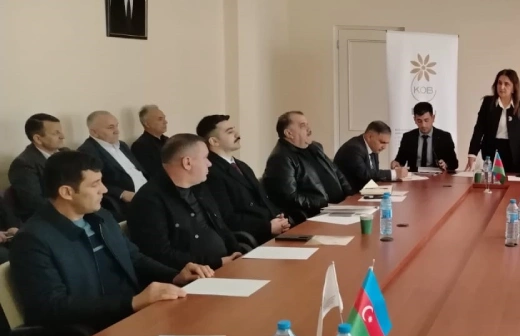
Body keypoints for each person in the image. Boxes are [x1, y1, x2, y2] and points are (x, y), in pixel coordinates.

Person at [9, 151, 210, 336]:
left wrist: (175, 276)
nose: (104, 190)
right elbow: (52, 306)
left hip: (133, 320)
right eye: (95, 184)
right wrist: (132, 302)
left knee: (204, 330)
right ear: (67, 192)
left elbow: (134, 258)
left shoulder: (101, 217)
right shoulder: (32, 240)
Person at [127, 134, 243, 270]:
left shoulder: (199, 188)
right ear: (187, 163)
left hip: (227, 264)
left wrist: (238, 253)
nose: (210, 163)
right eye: (205, 158)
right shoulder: (148, 201)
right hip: (197, 274)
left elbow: (221, 226)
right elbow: (160, 254)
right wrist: (218, 262)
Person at [198, 114, 290, 242]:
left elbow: (263, 199)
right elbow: (227, 218)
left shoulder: (241, 166)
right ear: (214, 141)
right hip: (252, 238)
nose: (237, 134)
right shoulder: (210, 172)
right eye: (230, 132)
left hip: (272, 230)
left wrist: (278, 218)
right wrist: (267, 227)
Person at [262, 111, 353, 223]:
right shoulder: (280, 158)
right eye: (303, 126)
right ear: (289, 133)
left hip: (341, 208)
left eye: (307, 124)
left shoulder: (315, 147)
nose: (309, 129)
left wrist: (349, 194)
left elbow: (336, 171)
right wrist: (325, 204)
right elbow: (290, 197)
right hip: (316, 215)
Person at [466, 69, 520, 177]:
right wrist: (472, 154)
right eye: (499, 83)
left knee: (514, 184)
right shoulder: (488, 103)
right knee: (492, 182)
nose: (502, 87)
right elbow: (479, 129)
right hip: (492, 152)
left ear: (513, 88)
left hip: (515, 154)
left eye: (506, 84)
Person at [78, 111, 148, 221]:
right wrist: (122, 193)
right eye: (110, 127)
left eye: (116, 126)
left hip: (146, 192)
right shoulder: (87, 151)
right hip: (126, 200)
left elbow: (139, 171)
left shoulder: (122, 145)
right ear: (94, 132)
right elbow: (93, 183)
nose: (117, 131)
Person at [8, 113, 66, 223]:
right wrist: (70, 207)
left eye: (61, 131)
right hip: (46, 219)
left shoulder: (65, 152)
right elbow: (34, 202)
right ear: (38, 139)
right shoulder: (23, 164)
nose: (62, 136)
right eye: (56, 133)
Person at [391, 102, 459, 173]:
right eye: (419, 121)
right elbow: (400, 161)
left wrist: (446, 165)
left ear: (433, 118)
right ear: (414, 119)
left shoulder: (444, 137)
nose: (423, 125)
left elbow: (454, 164)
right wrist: (395, 163)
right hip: (414, 175)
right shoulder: (408, 137)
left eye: (426, 120)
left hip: (437, 176)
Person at [333, 121, 396, 191]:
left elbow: (374, 174)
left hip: (364, 191)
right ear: (369, 137)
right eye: (382, 142)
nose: (384, 147)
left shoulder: (373, 148)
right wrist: (394, 173)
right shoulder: (354, 148)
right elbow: (364, 175)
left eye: (387, 143)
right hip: (350, 194)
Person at [131, 105, 169, 176]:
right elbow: (151, 173)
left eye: (164, 118)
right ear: (147, 124)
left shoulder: (168, 140)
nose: (165, 122)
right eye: (160, 119)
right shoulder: (140, 146)